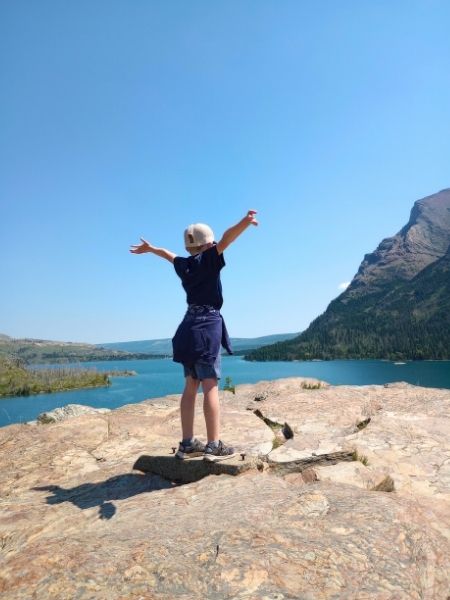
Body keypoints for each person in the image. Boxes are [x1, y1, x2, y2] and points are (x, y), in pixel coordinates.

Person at [130, 210, 258, 462]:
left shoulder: (184, 264)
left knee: (190, 386)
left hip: (188, 327)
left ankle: (188, 444)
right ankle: (213, 445)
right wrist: (245, 222)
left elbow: (169, 255)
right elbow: (227, 239)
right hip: (207, 326)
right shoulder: (209, 259)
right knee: (210, 385)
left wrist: (152, 248)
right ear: (208, 244)